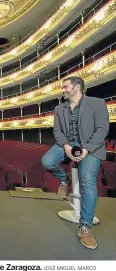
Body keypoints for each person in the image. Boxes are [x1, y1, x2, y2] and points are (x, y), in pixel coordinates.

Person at [41, 76, 109, 250]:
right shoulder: (59, 108)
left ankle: (85, 227)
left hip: (91, 147)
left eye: (65, 87)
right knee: (47, 161)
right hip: (67, 145)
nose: (62, 90)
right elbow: (57, 130)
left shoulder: (97, 103)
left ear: (77, 87)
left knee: (87, 181)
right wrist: (65, 147)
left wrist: (86, 149)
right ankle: (65, 180)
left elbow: (102, 129)